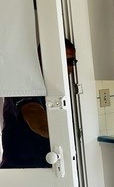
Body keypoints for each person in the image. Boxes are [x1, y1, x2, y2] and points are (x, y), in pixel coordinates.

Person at [0, 39, 76, 168]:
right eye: (66, 61)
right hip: (22, 171)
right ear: (44, 59)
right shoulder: (25, 83)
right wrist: (63, 136)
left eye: (72, 62)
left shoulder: (54, 87)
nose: (70, 68)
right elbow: (33, 113)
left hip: (46, 167)